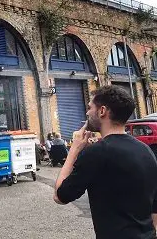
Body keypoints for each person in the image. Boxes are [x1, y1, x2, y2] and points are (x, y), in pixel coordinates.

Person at [54, 85, 157, 239]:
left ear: (102, 111)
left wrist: (74, 149)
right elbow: (154, 207)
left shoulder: (97, 152)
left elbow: (60, 196)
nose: (87, 112)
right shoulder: (146, 151)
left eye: (89, 108)